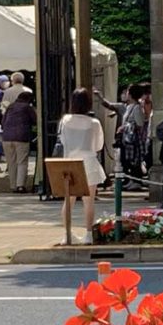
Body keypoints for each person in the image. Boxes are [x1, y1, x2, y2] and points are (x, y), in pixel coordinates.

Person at [58, 88, 106, 245]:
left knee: (68, 200)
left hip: (70, 161)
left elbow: (63, 141)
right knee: (89, 200)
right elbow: (98, 146)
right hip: (89, 162)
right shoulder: (93, 123)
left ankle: (67, 234)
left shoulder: (65, 121)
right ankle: (89, 235)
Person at [2, 90, 36, 193]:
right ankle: (20, 185)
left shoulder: (10, 106)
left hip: (7, 137)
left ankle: (13, 185)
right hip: (22, 137)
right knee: (21, 161)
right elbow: (35, 120)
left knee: (11, 162)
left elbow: (3, 121)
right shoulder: (27, 107)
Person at [117, 83, 148, 188]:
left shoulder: (137, 108)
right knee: (128, 159)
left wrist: (126, 127)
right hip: (128, 138)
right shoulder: (130, 106)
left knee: (135, 159)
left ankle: (136, 181)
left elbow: (139, 123)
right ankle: (132, 180)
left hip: (134, 138)